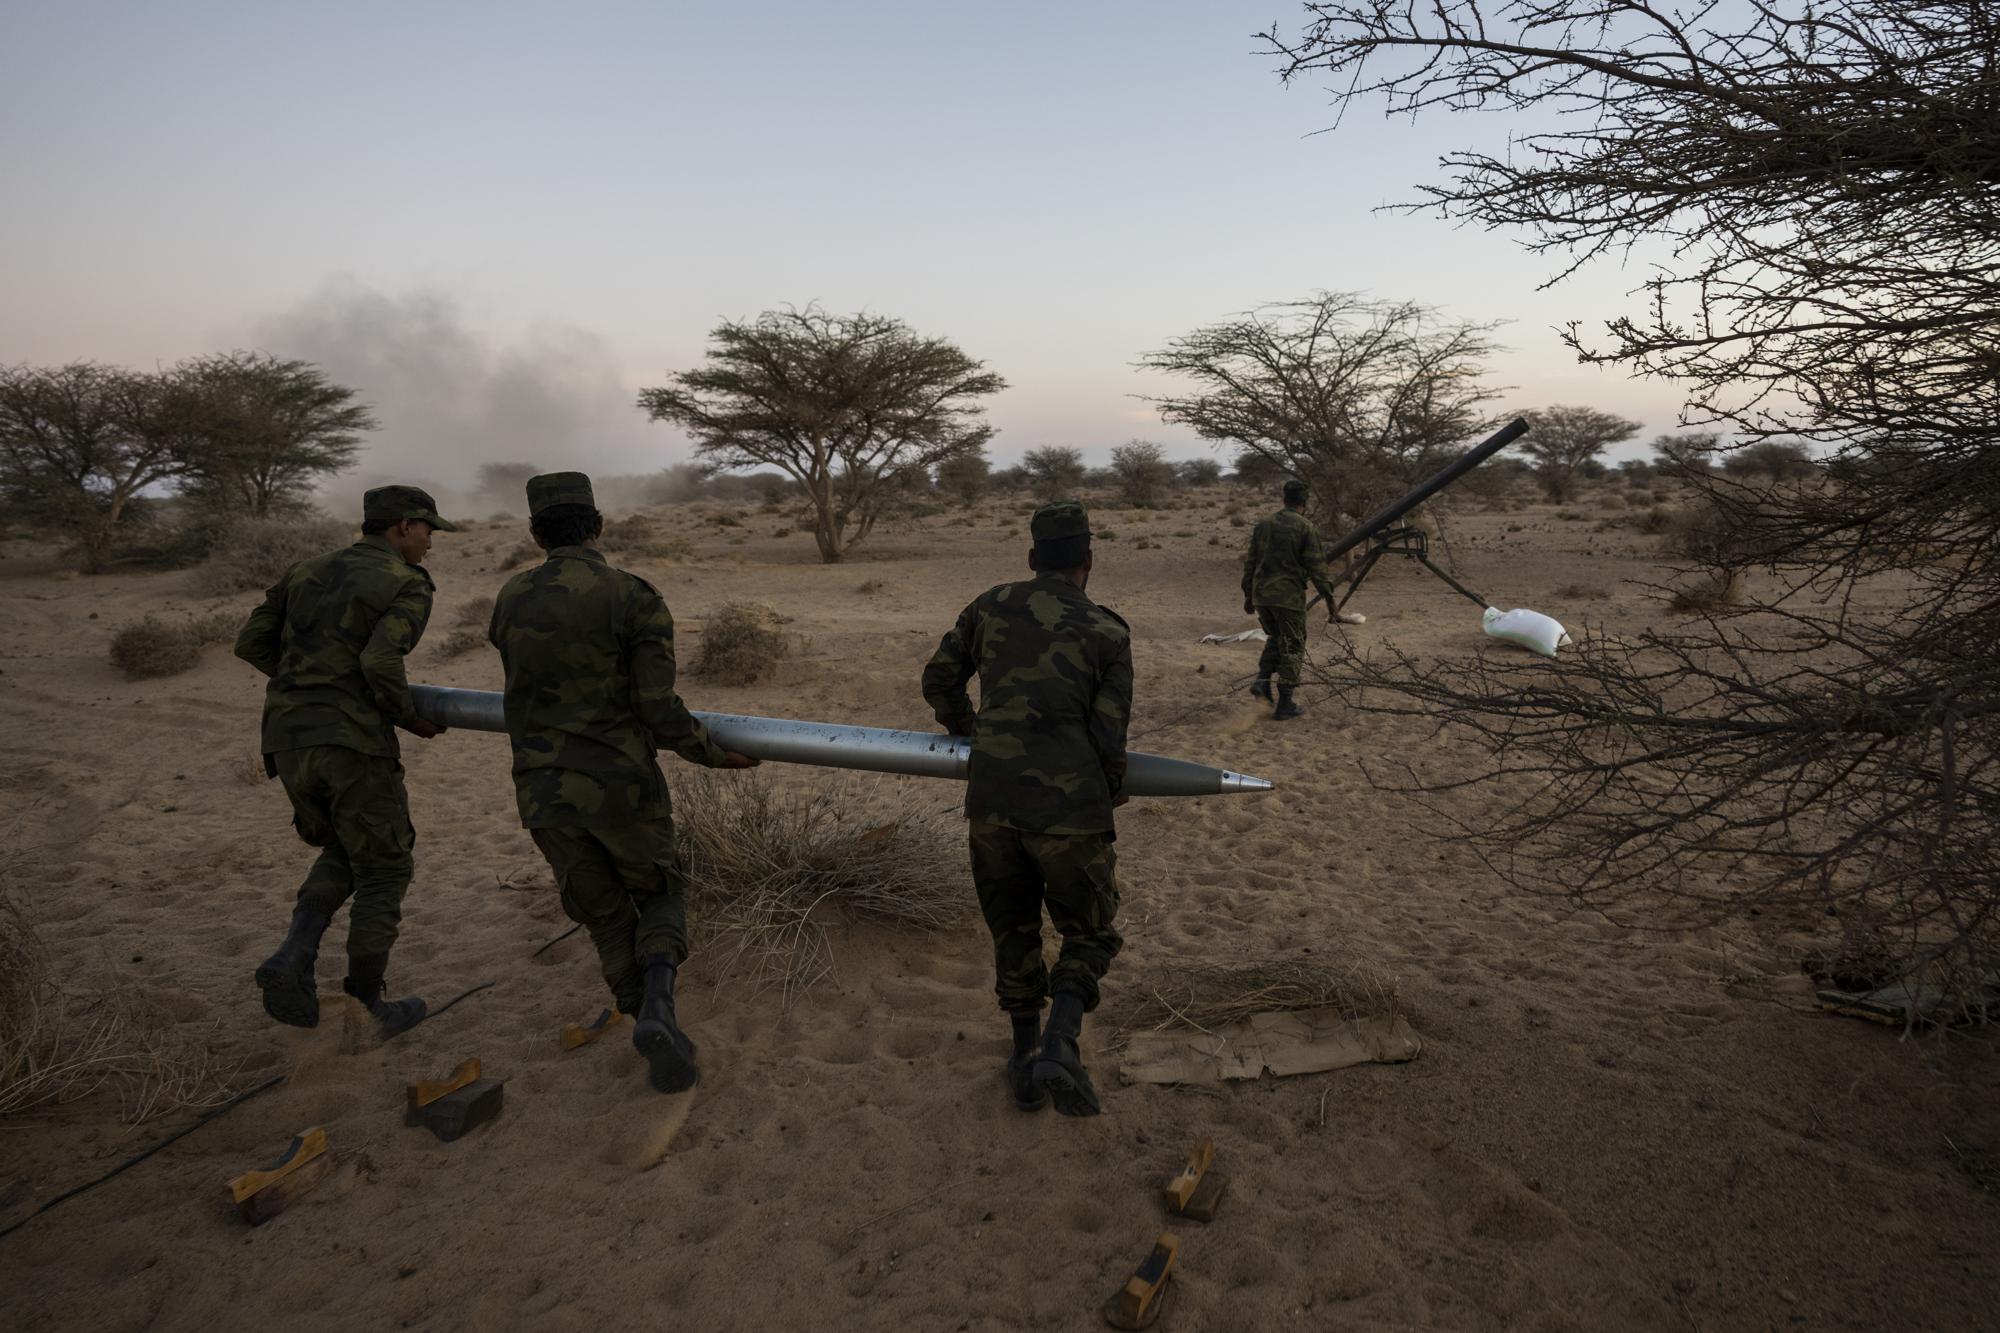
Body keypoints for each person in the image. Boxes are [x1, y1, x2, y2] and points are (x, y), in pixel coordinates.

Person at [487, 472, 756, 1095]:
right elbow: (657, 706)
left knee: (605, 917)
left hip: (542, 791)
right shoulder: (631, 596)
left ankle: (646, 1019)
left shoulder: (510, 597)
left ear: (535, 534)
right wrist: (712, 753)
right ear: (598, 525)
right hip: (621, 786)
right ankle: (660, 1003)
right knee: (660, 891)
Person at [922, 499, 1132, 1117]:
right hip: (1071, 813)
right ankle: (1060, 1042)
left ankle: (1022, 1061)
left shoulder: (989, 606)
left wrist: (975, 732)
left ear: (1033, 558)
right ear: (1088, 561)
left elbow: (938, 680)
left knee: (1012, 929)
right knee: (1090, 931)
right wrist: (1109, 786)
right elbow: (1108, 738)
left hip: (992, 805)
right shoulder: (1107, 632)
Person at [236, 485, 456, 1037]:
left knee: (343, 844)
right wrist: (408, 717)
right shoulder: (407, 583)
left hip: (286, 738)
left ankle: (294, 954)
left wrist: (306, 686)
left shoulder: (305, 570)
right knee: (385, 866)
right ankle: (366, 1007)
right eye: (428, 530)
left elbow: (251, 643)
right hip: (352, 743)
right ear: (402, 526)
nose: (431, 543)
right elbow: (381, 658)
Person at [1242, 478, 1346, 720]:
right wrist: (1331, 601)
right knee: (1293, 645)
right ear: (1305, 501)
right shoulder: (1305, 527)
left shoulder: (1264, 525)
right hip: (1287, 597)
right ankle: (1285, 702)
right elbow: (1317, 568)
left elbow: (1251, 562)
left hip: (1262, 596)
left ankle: (1262, 681)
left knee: (1276, 639)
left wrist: (1248, 595)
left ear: (1284, 498)